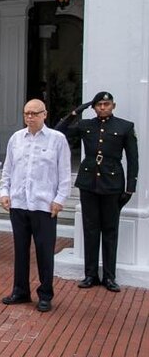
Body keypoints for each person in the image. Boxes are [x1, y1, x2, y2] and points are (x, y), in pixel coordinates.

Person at [56, 92, 138, 292]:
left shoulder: (125, 126)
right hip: (89, 183)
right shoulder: (86, 125)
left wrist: (130, 188)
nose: (102, 107)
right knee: (90, 230)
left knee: (110, 231)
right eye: (99, 104)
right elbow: (59, 131)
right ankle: (90, 275)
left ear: (113, 105)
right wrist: (76, 111)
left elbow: (133, 159)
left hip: (112, 184)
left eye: (106, 104)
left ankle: (109, 277)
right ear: (93, 107)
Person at [0, 99, 71, 313]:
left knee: (44, 251)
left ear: (44, 114)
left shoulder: (57, 140)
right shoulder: (16, 139)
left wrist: (60, 199)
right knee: (20, 250)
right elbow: (8, 169)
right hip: (19, 203)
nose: (29, 117)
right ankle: (20, 290)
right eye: (26, 113)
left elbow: (64, 173)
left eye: (34, 113)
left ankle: (45, 294)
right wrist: (4, 192)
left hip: (44, 205)